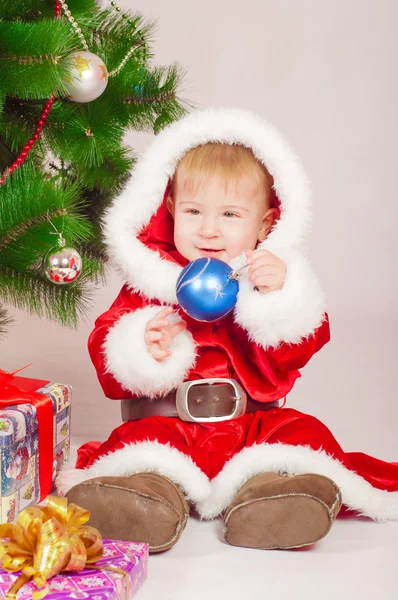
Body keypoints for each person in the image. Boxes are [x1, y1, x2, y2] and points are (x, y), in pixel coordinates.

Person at [57, 108, 398, 553]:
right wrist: (141, 344)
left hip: (250, 424)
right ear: (170, 210)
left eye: (231, 215)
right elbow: (107, 354)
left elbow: (298, 349)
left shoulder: (266, 280)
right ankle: (145, 500)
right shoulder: (153, 284)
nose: (210, 230)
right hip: (170, 425)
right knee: (143, 453)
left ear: (266, 225)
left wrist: (279, 300)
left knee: (297, 440)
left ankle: (272, 503)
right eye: (194, 211)